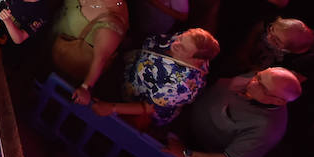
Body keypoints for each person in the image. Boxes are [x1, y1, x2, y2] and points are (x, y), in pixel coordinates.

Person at [166, 67, 303, 157]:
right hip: (179, 117)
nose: (252, 82)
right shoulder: (261, 78)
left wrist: (186, 154)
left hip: (195, 149)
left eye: (261, 86)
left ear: (278, 101)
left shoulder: (268, 128)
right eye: (258, 76)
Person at [90, 28, 221, 127]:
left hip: (133, 107)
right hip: (128, 74)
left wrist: (112, 108)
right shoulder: (184, 41)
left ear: (196, 61)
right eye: (180, 37)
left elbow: (148, 108)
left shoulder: (181, 85)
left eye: (182, 48)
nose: (175, 43)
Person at [51, 0, 131, 103]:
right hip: (52, 37)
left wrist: (85, 87)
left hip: (67, 65)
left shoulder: (112, 24)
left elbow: (101, 59)